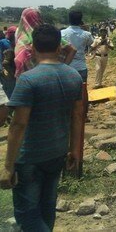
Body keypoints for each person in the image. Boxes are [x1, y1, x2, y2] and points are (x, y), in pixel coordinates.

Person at [0, 24, 84, 231]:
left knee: (27, 215)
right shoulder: (74, 76)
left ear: (33, 48)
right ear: (59, 47)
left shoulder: (28, 80)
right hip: (57, 153)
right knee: (47, 208)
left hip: (29, 158)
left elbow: (18, 125)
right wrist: (74, 150)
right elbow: (78, 116)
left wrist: (8, 166)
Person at [15, 8, 75, 78]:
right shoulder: (48, 33)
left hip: (31, 78)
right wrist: (63, 68)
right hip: (53, 75)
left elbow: (19, 60)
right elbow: (73, 49)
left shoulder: (21, 37)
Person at [61, 10, 94, 83]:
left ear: (69, 19)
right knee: (83, 91)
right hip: (81, 66)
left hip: (66, 67)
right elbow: (92, 45)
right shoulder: (87, 34)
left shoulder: (61, 33)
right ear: (80, 20)